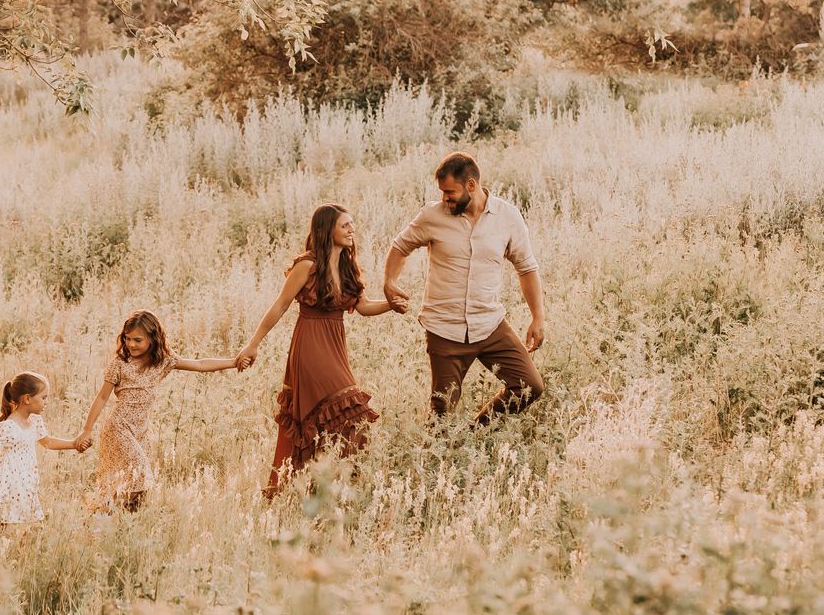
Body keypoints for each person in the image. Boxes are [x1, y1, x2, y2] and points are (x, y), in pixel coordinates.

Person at [236, 204, 395, 496]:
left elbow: (363, 307)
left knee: (339, 418)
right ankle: (318, 485)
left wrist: (392, 305)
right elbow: (280, 306)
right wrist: (253, 344)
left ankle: (322, 487)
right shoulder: (307, 266)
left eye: (352, 224)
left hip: (335, 346)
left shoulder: (347, 265)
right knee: (350, 410)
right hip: (309, 347)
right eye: (345, 225)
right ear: (326, 230)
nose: (352, 230)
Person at [381, 151, 547, 424]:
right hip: (444, 329)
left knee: (529, 386)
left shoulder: (507, 217)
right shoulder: (432, 216)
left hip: (490, 324)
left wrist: (537, 316)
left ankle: (475, 434)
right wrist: (389, 282)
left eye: (450, 191)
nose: (445, 197)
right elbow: (400, 247)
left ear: (471, 185)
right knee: (442, 416)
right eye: (442, 192)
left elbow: (527, 268)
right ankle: (441, 456)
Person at [72, 310, 239, 512]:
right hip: (119, 428)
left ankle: (114, 521)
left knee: (130, 485)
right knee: (140, 475)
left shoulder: (162, 362)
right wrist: (86, 429)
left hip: (141, 431)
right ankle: (102, 516)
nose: (131, 344)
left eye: (137, 340)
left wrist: (234, 361)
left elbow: (200, 364)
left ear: (153, 338)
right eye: (127, 339)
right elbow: (101, 397)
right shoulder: (120, 364)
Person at [0, 372, 87, 528]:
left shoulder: (35, 421)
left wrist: (74, 444)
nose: (47, 402)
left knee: (30, 525)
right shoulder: (8, 427)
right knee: (5, 523)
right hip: (8, 483)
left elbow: (48, 442)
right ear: (27, 399)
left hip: (26, 481)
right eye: (44, 397)